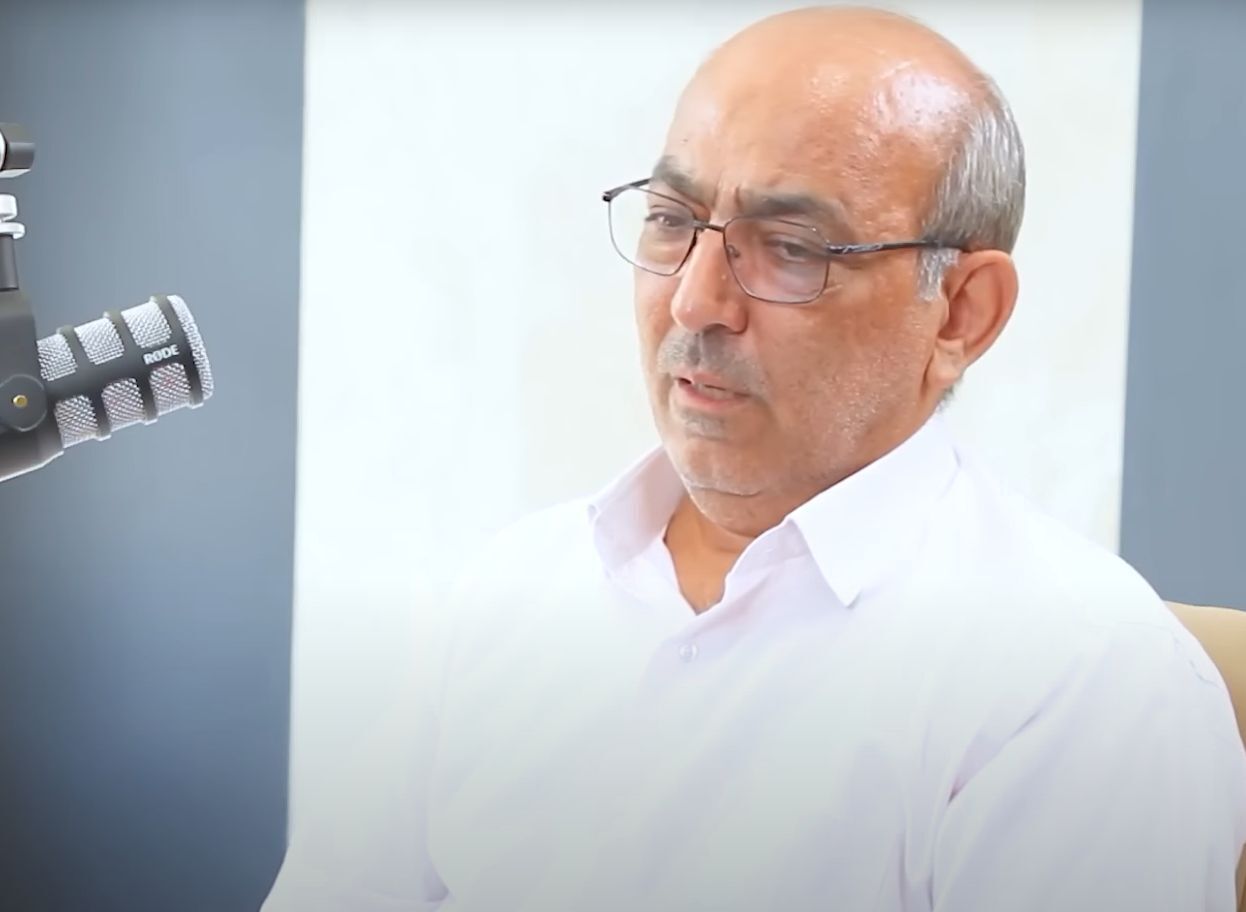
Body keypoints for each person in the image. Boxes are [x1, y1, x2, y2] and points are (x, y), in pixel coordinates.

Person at [264, 6, 1246, 911]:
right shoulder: (514, 589)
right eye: (670, 220)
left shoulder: (1082, 685)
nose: (695, 301)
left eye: (790, 247)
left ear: (961, 312)